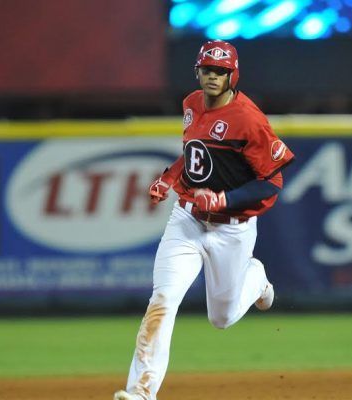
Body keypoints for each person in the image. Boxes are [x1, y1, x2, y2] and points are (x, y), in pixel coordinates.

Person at [113, 40, 295, 400]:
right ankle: (141, 392)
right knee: (162, 299)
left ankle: (255, 279)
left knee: (221, 318)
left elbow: (272, 182)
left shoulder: (249, 119)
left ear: (233, 74)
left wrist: (226, 198)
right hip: (187, 220)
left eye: (221, 71)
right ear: (198, 71)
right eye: (208, 70)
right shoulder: (191, 104)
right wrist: (168, 178)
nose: (213, 76)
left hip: (232, 229)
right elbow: (193, 158)